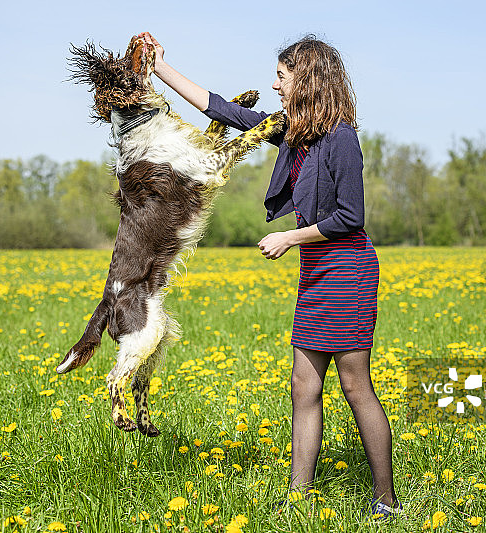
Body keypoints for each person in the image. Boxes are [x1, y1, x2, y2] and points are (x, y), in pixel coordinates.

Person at [139, 32, 400, 518]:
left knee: (354, 385)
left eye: (282, 76)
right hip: (319, 270)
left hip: (348, 267)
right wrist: (159, 69)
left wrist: (289, 238)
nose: (275, 85)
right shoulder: (293, 130)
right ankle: (298, 499)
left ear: (307, 77)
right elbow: (225, 112)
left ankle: (385, 502)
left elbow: (351, 216)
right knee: (304, 386)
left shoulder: (341, 136)